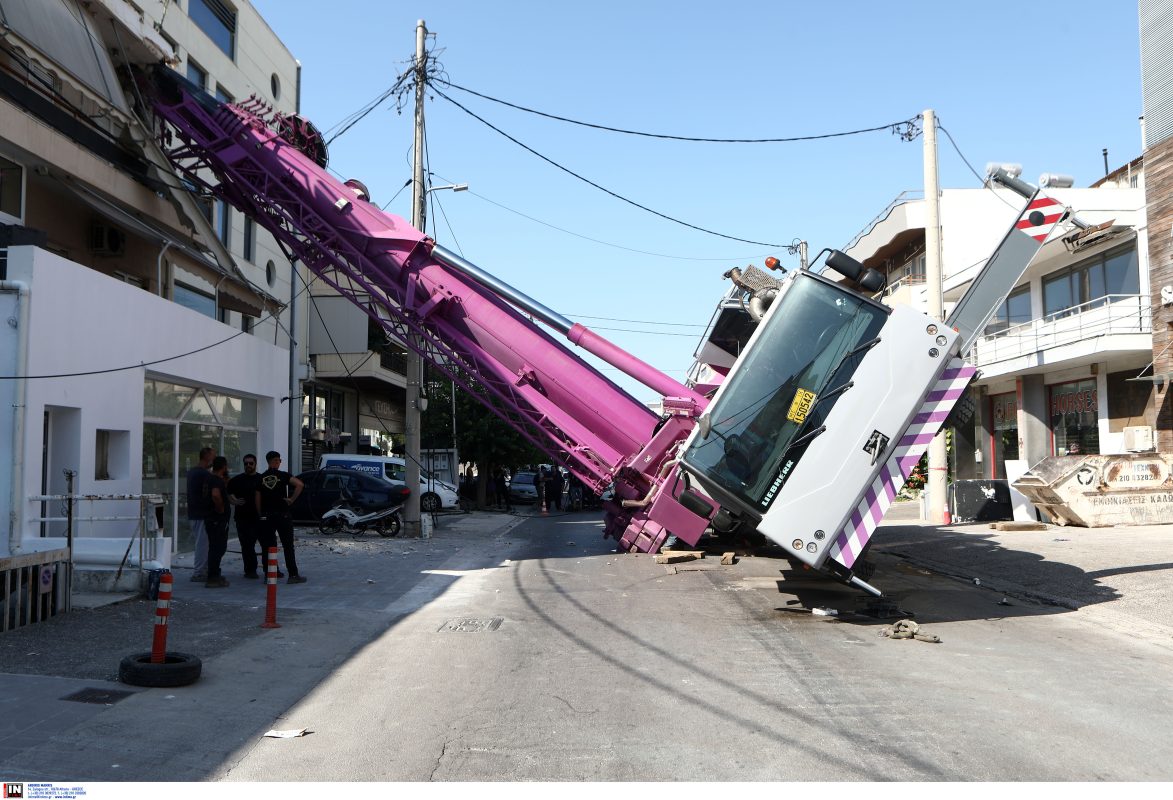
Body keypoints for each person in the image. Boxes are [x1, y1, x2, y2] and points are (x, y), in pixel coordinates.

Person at [255, 450, 306, 584]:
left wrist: (261, 514)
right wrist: (291, 499)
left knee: (268, 546)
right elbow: (300, 484)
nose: (279, 462)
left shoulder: (260, 478)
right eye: (278, 460)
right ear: (276, 461)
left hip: (267, 516)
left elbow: (257, 498)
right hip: (283, 515)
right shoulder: (283, 476)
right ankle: (293, 575)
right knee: (288, 545)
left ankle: (270, 574)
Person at [228, 453, 271, 579]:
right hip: (243, 518)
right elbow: (228, 493)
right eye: (246, 463)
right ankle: (250, 570)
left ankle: (269, 570)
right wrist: (234, 501)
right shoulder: (237, 480)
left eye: (250, 463)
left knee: (265, 545)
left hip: (260, 518)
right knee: (247, 546)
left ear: (255, 464)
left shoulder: (262, 479)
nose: (248, 466)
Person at [185, 445, 215, 582]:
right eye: (213, 456)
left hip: (194, 513)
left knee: (202, 543)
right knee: (202, 544)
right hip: (201, 514)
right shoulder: (204, 474)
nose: (214, 458)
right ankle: (199, 572)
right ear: (207, 457)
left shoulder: (192, 472)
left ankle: (201, 570)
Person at [203, 456, 231, 588]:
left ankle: (214, 573)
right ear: (224, 467)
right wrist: (220, 509)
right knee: (217, 548)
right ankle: (213, 577)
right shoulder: (216, 481)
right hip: (217, 520)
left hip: (211, 518)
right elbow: (215, 495)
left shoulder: (209, 478)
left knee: (215, 547)